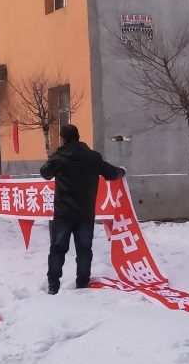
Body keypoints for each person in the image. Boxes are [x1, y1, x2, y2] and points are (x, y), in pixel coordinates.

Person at [39, 124, 125, 295]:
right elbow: (111, 173)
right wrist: (122, 171)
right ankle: (82, 284)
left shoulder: (58, 158)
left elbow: (45, 174)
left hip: (63, 214)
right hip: (85, 213)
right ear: (78, 137)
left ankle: (53, 286)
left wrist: (54, 158)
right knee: (84, 250)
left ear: (63, 139)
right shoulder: (93, 157)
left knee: (57, 250)